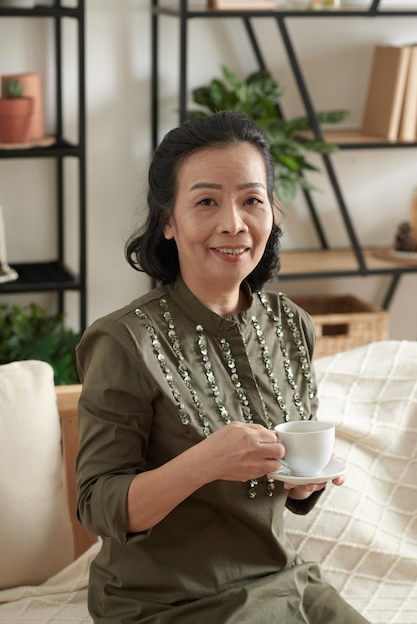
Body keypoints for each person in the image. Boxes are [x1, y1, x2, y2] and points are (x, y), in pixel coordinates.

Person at [76, 110, 369, 623]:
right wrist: (206, 461)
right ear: (168, 220)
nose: (233, 223)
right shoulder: (124, 340)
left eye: (252, 200)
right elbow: (98, 504)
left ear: (271, 214)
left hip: (281, 577)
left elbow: (281, 489)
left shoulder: (293, 326)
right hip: (165, 599)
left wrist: (304, 484)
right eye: (206, 201)